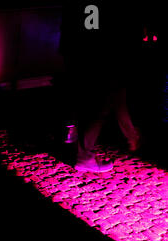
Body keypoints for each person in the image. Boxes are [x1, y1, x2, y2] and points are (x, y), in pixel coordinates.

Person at [60, 1, 141, 173]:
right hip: (102, 55)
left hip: (87, 52)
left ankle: (132, 137)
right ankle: (84, 155)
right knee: (101, 107)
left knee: (113, 97)